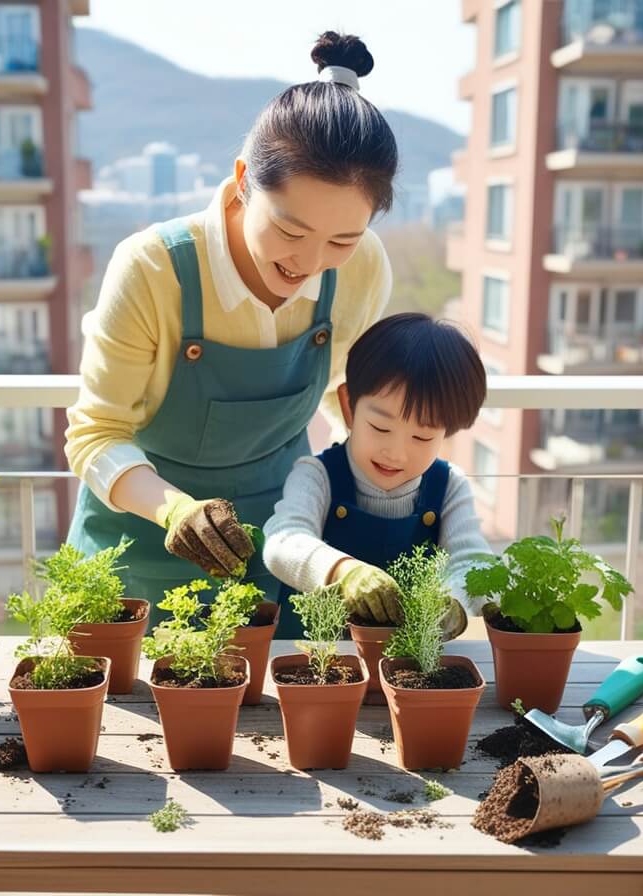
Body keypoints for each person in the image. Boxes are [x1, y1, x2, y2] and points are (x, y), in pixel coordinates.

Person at [64, 32, 398, 627]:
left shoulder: (364, 266)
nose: (309, 261)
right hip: (135, 541)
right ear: (244, 179)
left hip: (278, 542)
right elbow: (95, 434)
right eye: (291, 231)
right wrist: (175, 512)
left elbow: (349, 394)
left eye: (342, 239)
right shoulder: (153, 267)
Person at [263, 313, 493, 638]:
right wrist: (343, 572)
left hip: (409, 668)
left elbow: (473, 562)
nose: (396, 453)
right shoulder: (317, 475)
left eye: (422, 438)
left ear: (447, 432)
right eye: (380, 427)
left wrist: (451, 599)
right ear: (348, 406)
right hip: (314, 664)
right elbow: (282, 542)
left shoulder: (450, 486)